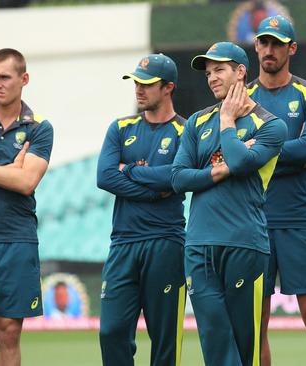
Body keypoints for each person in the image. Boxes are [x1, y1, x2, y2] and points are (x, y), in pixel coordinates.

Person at [171, 42, 287, 366]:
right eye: (208, 73)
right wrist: (218, 171)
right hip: (198, 245)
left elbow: (237, 161)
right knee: (214, 340)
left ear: (240, 72)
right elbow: (179, 178)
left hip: (244, 244)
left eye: (219, 70)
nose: (211, 78)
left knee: (244, 346)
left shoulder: (272, 125)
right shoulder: (195, 122)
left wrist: (227, 122)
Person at [96, 54, 187, 366]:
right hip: (123, 243)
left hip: (166, 242)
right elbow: (105, 176)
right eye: (136, 81)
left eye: (147, 83)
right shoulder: (120, 127)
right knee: (110, 331)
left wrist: (130, 169)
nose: (138, 88)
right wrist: (153, 191)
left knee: (165, 339)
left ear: (168, 87)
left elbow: (176, 178)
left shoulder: (186, 131)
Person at [248, 15, 306, 366]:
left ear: (291, 48)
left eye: (277, 43)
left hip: (299, 220)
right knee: (255, 326)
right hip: (253, 223)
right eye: (264, 42)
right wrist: (281, 151)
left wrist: (257, 149)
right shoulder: (242, 96)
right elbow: (232, 154)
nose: (269, 50)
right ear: (256, 46)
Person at [0, 48, 53, 366]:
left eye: (4, 77)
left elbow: (26, 183)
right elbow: (16, 177)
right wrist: (9, 171)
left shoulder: (39, 127)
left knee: (8, 333)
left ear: (24, 79)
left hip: (17, 240)